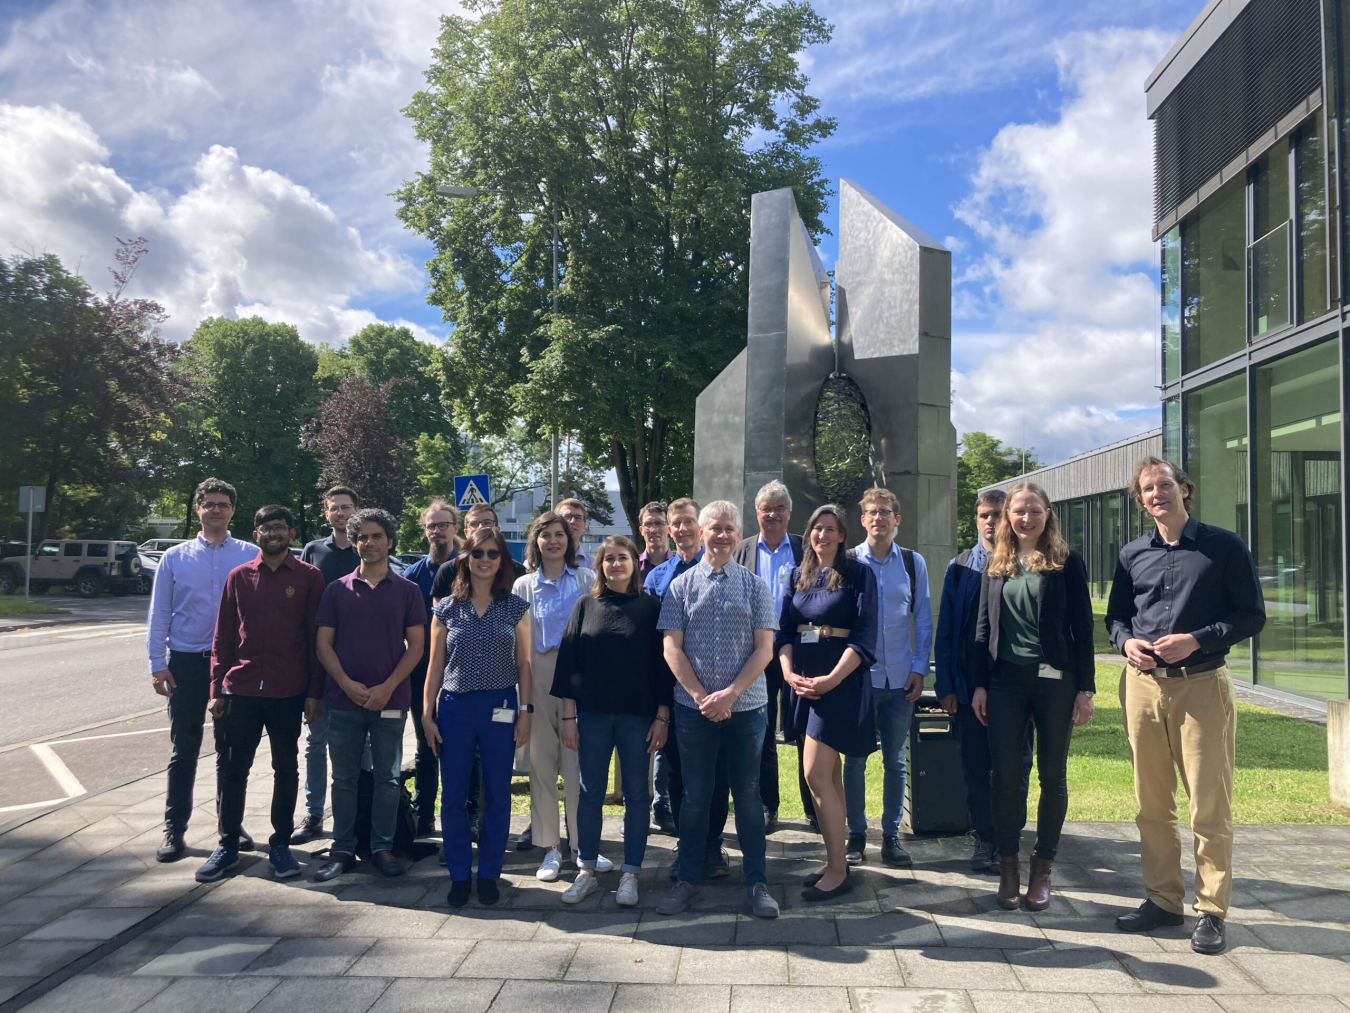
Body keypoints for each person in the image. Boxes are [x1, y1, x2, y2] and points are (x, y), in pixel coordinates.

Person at [1106, 457, 1264, 956]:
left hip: (1202, 688)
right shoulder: (1132, 554)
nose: (1157, 494)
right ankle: (1162, 900)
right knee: (1152, 804)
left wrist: (1197, 639)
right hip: (1143, 688)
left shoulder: (1223, 546)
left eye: (1165, 485)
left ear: (1185, 490)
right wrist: (1126, 643)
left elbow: (1251, 615)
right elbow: (1116, 618)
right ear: (1141, 500)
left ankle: (1212, 911)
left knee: (1208, 805)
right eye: (1148, 489)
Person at [973, 481, 1095, 912]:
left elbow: (1083, 628)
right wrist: (981, 684)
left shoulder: (1066, 562)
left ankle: (1042, 868)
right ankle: (1009, 867)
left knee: (1051, 776)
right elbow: (984, 628)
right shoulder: (997, 563)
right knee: (1005, 776)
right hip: (1005, 681)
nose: (1026, 518)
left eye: (1034, 510)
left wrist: (1086, 688)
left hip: (1056, 683)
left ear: (1048, 514)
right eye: (1018, 511)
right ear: (1007, 516)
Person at [656, 500, 780, 920]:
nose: (723, 535)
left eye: (730, 528)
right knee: (694, 797)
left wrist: (729, 694)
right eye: (716, 528)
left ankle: (757, 882)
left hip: (746, 708)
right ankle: (687, 879)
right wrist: (698, 695)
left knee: (747, 794)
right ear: (702, 532)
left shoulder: (755, 586)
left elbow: (765, 649)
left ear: (737, 533)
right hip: (693, 711)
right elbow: (671, 646)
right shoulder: (681, 586)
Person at [199, 505, 325, 882]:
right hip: (241, 689)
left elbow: (317, 639)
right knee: (234, 769)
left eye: (280, 528)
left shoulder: (309, 578)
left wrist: (314, 692)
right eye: (266, 528)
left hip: (289, 691)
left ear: (290, 534)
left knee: (285, 769)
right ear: (255, 534)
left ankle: (281, 844)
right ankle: (228, 843)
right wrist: (217, 687)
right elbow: (222, 637)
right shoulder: (238, 577)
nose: (273, 533)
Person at [553, 535, 674, 906]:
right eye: (609, 559)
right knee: (590, 792)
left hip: (638, 717)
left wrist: (662, 717)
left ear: (633, 565)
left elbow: (662, 668)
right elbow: (569, 666)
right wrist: (569, 717)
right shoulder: (585, 605)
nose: (616, 564)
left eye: (623, 558)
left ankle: (631, 873)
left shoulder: (651, 608)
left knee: (637, 795)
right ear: (600, 566)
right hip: (591, 716)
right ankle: (586, 869)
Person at [147, 477, 260, 863]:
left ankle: (230, 827)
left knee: (231, 752)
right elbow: (159, 613)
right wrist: (157, 664)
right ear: (198, 508)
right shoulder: (174, 558)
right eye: (208, 503)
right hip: (186, 663)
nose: (216, 510)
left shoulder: (249, 554)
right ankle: (174, 829)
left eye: (223, 504)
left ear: (232, 510)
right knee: (185, 748)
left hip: (232, 665)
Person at [312, 508, 426, 882]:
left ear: (390, 541)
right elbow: (323, 645)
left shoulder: (407, 591)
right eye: (362, 536)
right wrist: (345, 683)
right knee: (343, 779)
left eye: (377, 536)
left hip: (390, 702)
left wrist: (388, 686)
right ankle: (343, 847)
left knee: (388, 779)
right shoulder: (337, 590)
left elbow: (416, 647)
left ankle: (382, 847)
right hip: (344, 702)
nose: (369, 542)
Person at [424, 527, 533, 907]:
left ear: (502, 560)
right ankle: (458, 873)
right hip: (455, 707)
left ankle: (488, 873)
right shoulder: (446, 608)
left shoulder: (514, 607)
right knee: (452, 794)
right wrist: (426, 713)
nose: (484, 560)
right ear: (465, 559)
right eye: (477, 553)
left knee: (498, 793)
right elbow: (435, 665)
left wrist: (525, 712)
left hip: (501, 706)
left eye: (492, 554)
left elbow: (524, 663)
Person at [778, 505, 879, 900]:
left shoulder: (859, 574)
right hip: (803, 684)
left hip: (839, 684)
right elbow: (784, 631)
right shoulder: (796, 575)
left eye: (830, 529)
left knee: (816, 775)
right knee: (829, 778)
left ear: (842, 536)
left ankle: (838, 871)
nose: (822, 535)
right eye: (816, 528)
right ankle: (835, 858)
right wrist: (787, 672)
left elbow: (865, 635)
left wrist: (832, 679)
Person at [935, 489, 1035, 873]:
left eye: (998, 514)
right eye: (984, 516)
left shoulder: (1025, 564)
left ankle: (1009, 837)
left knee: (1016, 766)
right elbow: (946, 631)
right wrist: (945, 685)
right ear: (976, 520)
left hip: (1014, 686)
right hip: (965, 689)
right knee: (975, 768)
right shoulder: (959, 567)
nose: (991, 522)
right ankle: (984, 839)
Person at [512, 512, 610, 881]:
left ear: (570, 541)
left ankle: (583, 846)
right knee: (541, 765)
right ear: (535, 542)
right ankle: (550, 848)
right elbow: (518, 643)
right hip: (536, 676)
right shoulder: (522, 585)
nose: (553, 541)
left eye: (560, 535)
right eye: (545, 535)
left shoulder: (587, 580)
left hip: (578, 680)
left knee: (578, 767)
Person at [843, 487, 930, 868]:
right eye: (872, 512)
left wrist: (919, 667)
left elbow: (923, 618)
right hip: (859, 680)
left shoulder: (913, 563)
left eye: (886, 512)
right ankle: (856, 834)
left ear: (897, 519)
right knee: (855, 761)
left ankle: (891, 836)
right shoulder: (847, 562)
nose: (878, 518)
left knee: (895, 761)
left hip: (900, 680)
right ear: (862, 520)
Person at [645, 498, 730, 874]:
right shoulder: (657, 578)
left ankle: (713, 847)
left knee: (716, 773)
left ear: (700, 527)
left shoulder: (720, 571)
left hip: (716, 691)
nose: (680, 529)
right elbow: (652, 642)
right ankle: (687, 846)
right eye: (674, 523)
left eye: (687, 522)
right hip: (673, 690)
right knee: (678, 772)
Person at [733, 480, 804, 836]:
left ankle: (816, 810)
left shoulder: (806, 550)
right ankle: (767, 805)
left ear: (789, 514)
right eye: (766, 508)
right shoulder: (741, 551)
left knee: (808, 730)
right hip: (754, 654)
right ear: (757, 513)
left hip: (799, 653)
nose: (772, 514)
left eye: (779, 508)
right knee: (760, 733)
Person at [293, 484, 361, 846]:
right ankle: (314, 813)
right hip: (320, 659)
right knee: (315, 742)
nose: (341, 513)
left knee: (359, 746)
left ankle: (360, 811)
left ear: (356, 510)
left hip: (359, 659)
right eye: (334, 508)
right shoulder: (313, 551)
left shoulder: (368, 548)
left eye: (346, 507)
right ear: (326, 513)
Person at [402, 500, 461, 835]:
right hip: (422, 671)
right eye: (432, 526)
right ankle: (424, 816)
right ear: (425, 531)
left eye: (443, 524)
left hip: (465, 672)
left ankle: (468, 816)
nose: (437, 531)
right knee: (427, 745)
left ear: (456, 528)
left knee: (466, 748)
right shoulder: (413, 575)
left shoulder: (469, 566)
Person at [638, 501, 671, 579]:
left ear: (669, 528)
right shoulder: (632, 567)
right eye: (648, 524)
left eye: (659, 523)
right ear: (641, 530)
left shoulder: (681, 565)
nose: (653, 530)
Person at [558, 498, 593, 569]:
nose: (572, 521)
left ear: (584, 525)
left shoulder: (593, 566)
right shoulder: (543, 562)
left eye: (578, 518)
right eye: (567, 516)